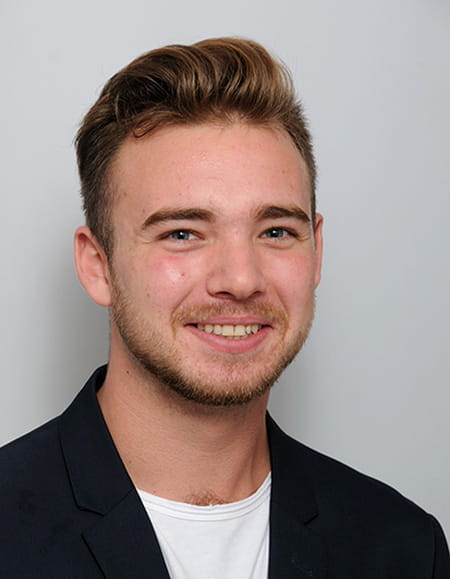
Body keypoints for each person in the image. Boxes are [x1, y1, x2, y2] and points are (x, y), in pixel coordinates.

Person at [0, 37, 448, 579]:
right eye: (183, 233)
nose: (241, 280)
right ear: (98, 266)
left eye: (276, 231)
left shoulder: (403, 547)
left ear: (316, 251)